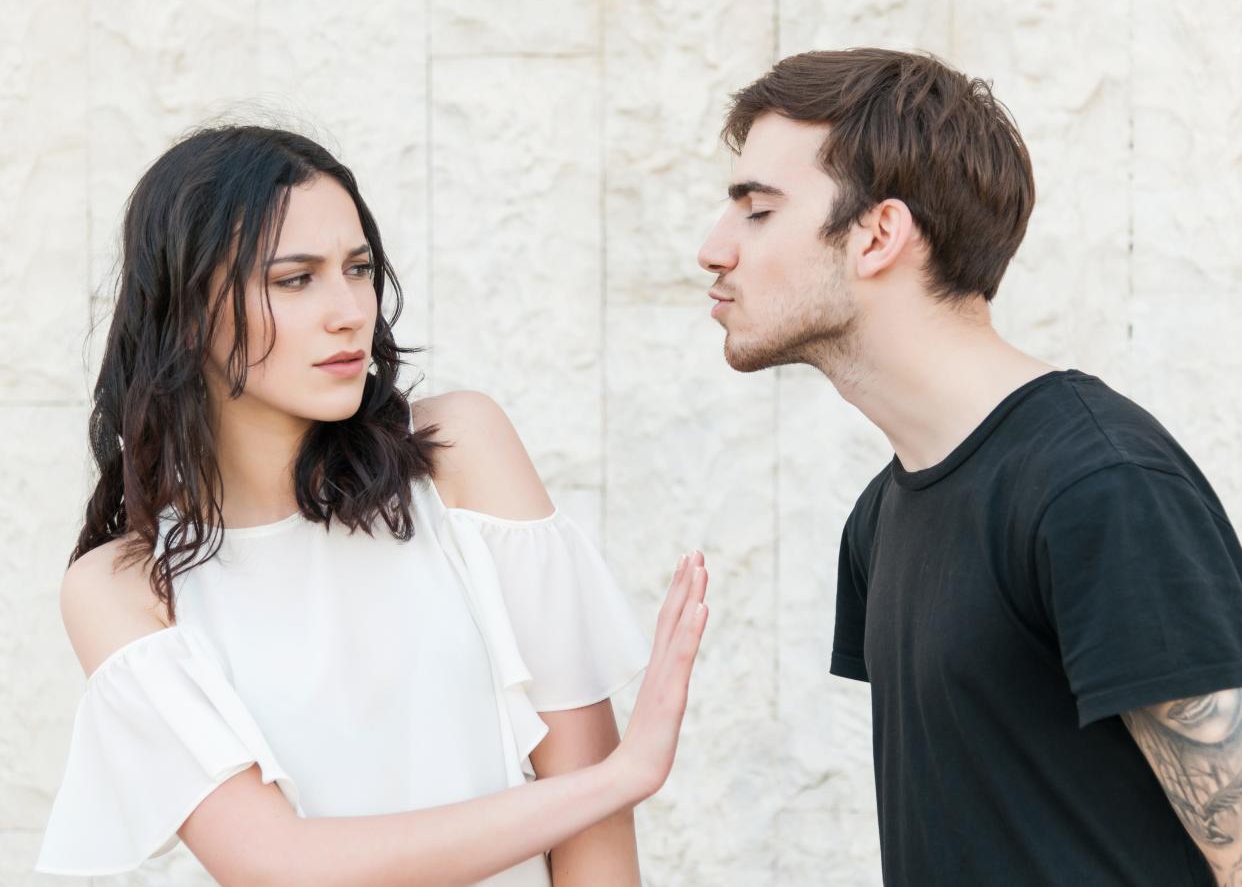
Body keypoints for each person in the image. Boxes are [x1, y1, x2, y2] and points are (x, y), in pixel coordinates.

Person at [36, 125, 710, 885]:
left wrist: (599, 792)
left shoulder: (460, 453)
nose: (350, 311)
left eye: (358, 269)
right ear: (187, 310)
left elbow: (597, 851)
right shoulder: (124, 586)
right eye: (295, 280)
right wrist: (615, 780)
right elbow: (281, 866)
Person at [698, 48, 1242, 885]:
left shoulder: (1099, 488)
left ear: (879, 234)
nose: (714, 249)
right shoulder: (881, 519)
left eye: (758, 213)